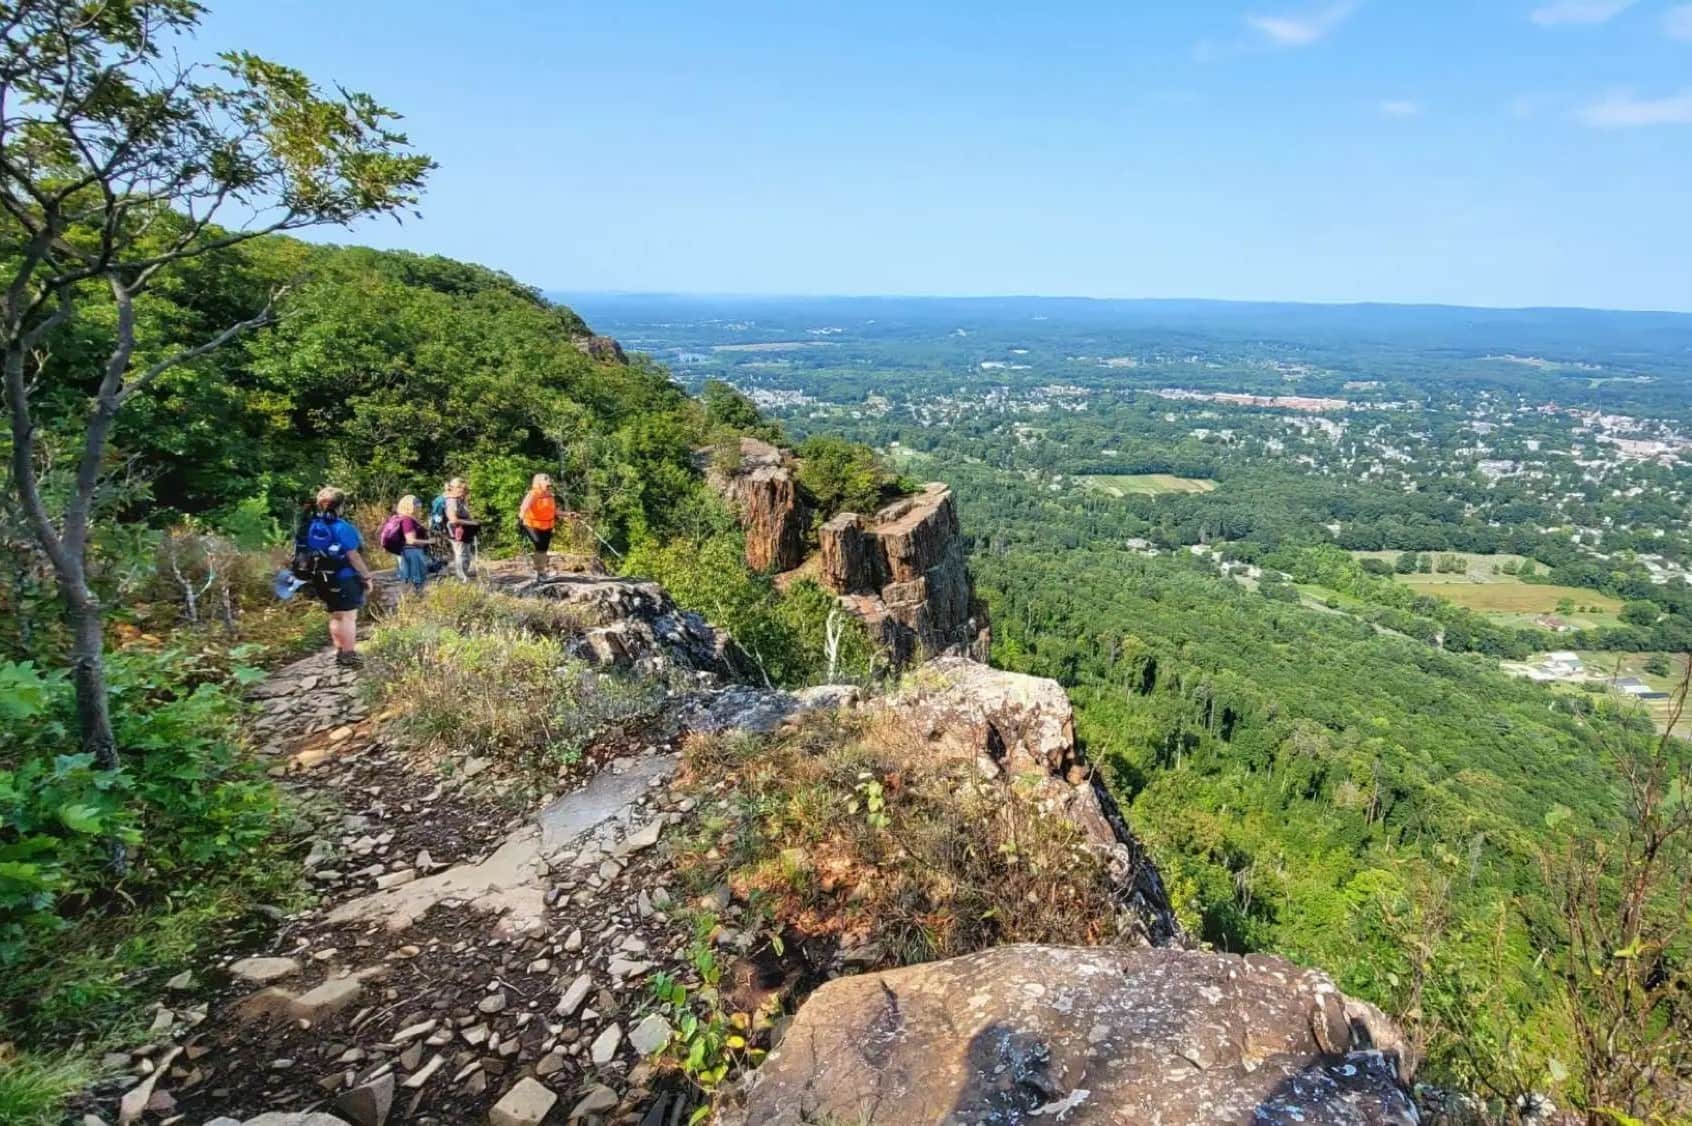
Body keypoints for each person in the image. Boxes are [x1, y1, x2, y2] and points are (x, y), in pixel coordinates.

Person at [297, 486, 374, 668]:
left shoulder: (311, 525)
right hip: (344, 577)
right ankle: (348, 655)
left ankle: (340, 651)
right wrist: (366, 576)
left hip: (321, 577)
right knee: (348, 616)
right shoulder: (342, 527)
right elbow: (353, 556)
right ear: (340, 506)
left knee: (335, 615)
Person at [385, 494, 431, 593]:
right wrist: (430, 541)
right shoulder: (407, 520)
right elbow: (411, 540)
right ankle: (408, 602)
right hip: (412, 552)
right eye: (416, 503)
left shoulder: (409, 518)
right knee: (412, 579)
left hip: (410, 552)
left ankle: (411, 601)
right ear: (409, 506)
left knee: (411, 579)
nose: (419, 505)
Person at [517, 473, 558, 578]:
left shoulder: (549, 495)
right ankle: (540, 573)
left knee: (543, 549)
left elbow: (554, 512)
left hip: (546, 526)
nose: (549, 486)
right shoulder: (533, 494)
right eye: (546, 483)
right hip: (532, 525)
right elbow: (524, 506)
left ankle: (542, 572)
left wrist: (569, 514)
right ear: (538, 483)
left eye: (549, 484)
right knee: (539, 545)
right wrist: (520, 518)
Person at [441, 477, 479, 580]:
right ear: (456, 488)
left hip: (463, 531)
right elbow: (453, 519)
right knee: (460, 554)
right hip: (456, 531)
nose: (464, 493)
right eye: (463, 490)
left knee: (465, 553)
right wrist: (472, 522)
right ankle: (461, 577)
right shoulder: (451, 501)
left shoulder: (459, 499)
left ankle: (463, 574)